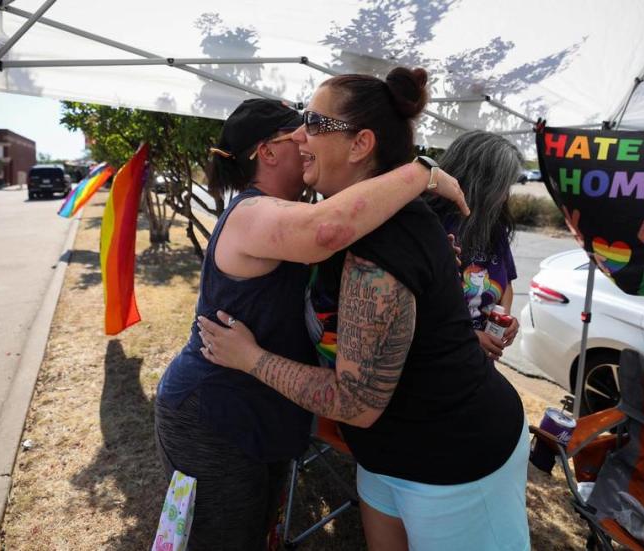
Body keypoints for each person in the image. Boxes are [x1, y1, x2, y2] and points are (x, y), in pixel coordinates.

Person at [198, 68, 530, 550]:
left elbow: (355, 401)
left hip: (456, 460)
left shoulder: (382, 243)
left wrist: (250, 358)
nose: (298, 134)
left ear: (360, 145)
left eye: (313, 122)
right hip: (387, 455)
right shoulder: (351, 219)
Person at [154, 98, 467, 551]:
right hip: (212, 413)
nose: (307, 139)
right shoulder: (251, 212)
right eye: (297, 132)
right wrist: (424, 172)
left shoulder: (289, 213)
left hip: (260, 405)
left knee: (258, 532)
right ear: (268, 152)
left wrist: (424, 263)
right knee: (219, 539)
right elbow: (327, 231)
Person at [427, 130, 523, 360]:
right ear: (481, 182)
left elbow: (506, 283)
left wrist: (504, 319)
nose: (505, 197)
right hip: (438, 360)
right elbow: (418, 305)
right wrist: (466, 336)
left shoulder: (494, 227)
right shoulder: (431, 224)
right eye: (502, 187)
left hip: (475, 361)